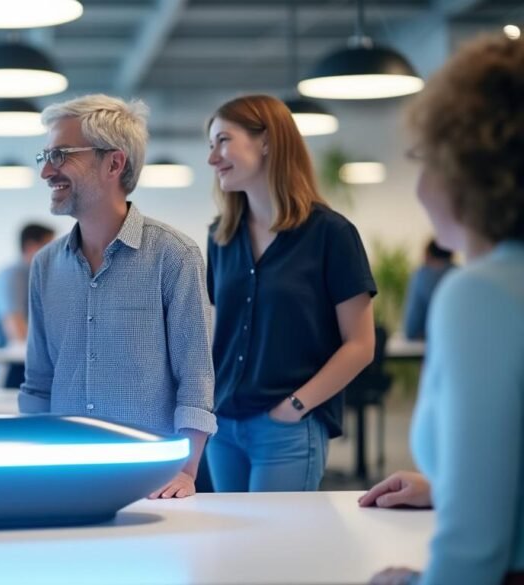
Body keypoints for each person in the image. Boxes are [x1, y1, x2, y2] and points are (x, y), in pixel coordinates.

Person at [359, 34, 524, 585]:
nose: (420, 186)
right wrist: (449, 487)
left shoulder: (480, 294)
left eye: (424, 160)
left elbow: (474, 552)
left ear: (468, 168)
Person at [18, 94, 216, 499]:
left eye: (60, 155)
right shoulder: (45, 266)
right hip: (63, 475)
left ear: (114, 163)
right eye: (45, 156)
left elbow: (195, 379)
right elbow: (39, 383)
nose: (46, 171)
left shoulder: (174, 256)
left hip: (151, 481)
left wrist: (186, 470)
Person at [204, 94, 376, 493]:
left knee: (277, 535)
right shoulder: (220, 237)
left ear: (266, 141)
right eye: (210, 145)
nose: (212, 158)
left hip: (287, 427)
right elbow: (215, 332)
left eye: (223, 141)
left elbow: (360, 344)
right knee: (230, 534)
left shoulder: (331, 234)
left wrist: (296, 406)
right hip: (224, 424)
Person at [0, 223, 55, 388]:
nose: (56, 254)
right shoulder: (14, 275)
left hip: (19, 362)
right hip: (7, 366)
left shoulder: (36, 277)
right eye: (50, 247)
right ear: (31, 247)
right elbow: (16, 331)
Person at [402, 239, 455, 340]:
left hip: (425, 342)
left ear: (428, 255)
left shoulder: (422, 276)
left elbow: (411, 328)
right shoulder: (460, 276)